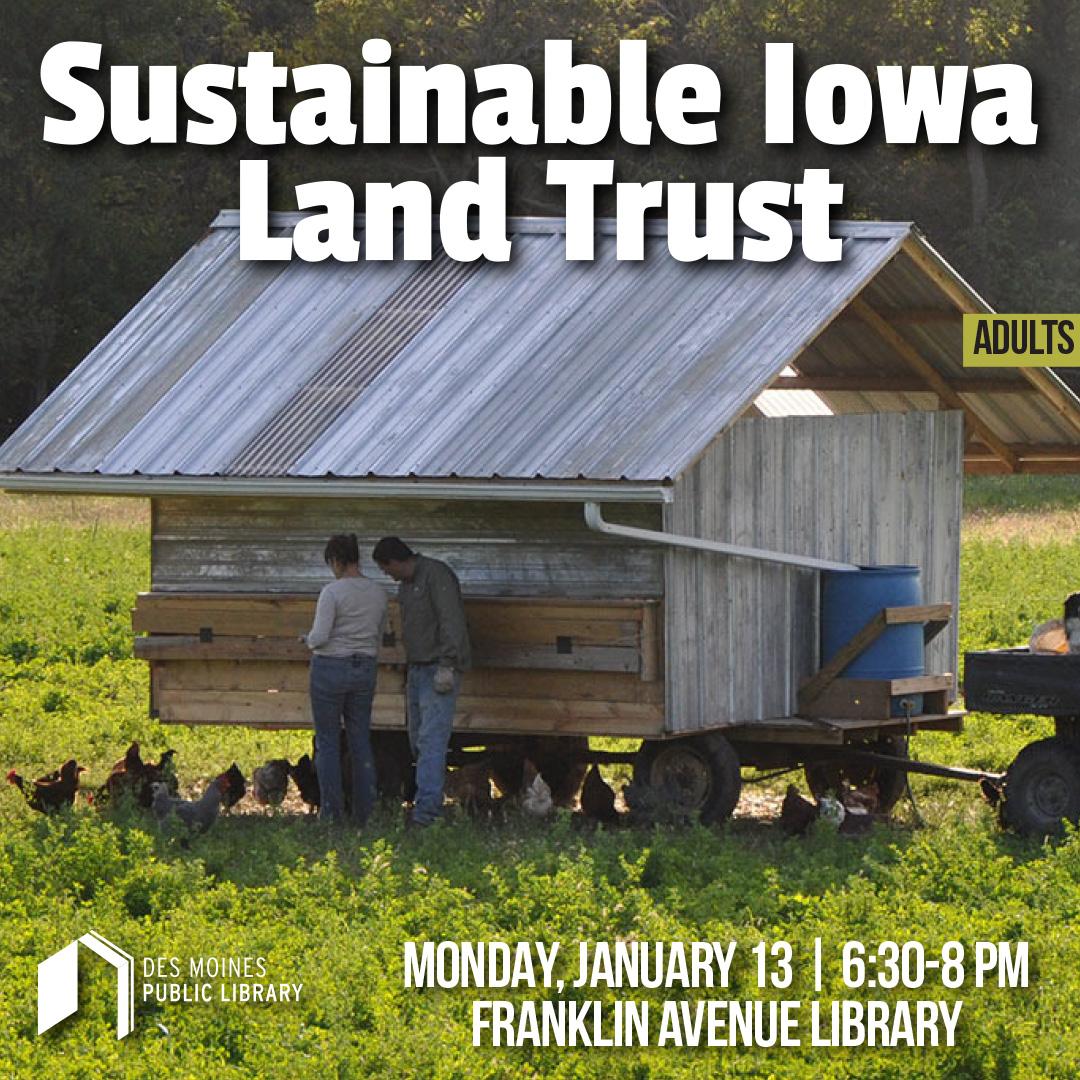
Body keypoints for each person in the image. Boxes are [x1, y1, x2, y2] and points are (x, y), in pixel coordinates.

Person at [372, 536, 470, 827]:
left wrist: (448, 664)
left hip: (438, 668)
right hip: (417, 668)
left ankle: (427, 814)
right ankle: (427, 802)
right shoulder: (406, 585)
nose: (386, 574)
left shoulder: (436, 575)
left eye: (386, 568)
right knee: (418, 740)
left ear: (396, 561)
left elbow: (452, 620)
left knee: (431, 741)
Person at [304, 534, 388, 825]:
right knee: (360, 740)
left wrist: (307, 641)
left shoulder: (332, 592)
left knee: (327, 742)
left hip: (330, 668)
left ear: (336, 560)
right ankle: (365, 813)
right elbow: (380, 634)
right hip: (364, 667)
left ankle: (332, 813)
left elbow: (320, 636)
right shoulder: (378, 592)